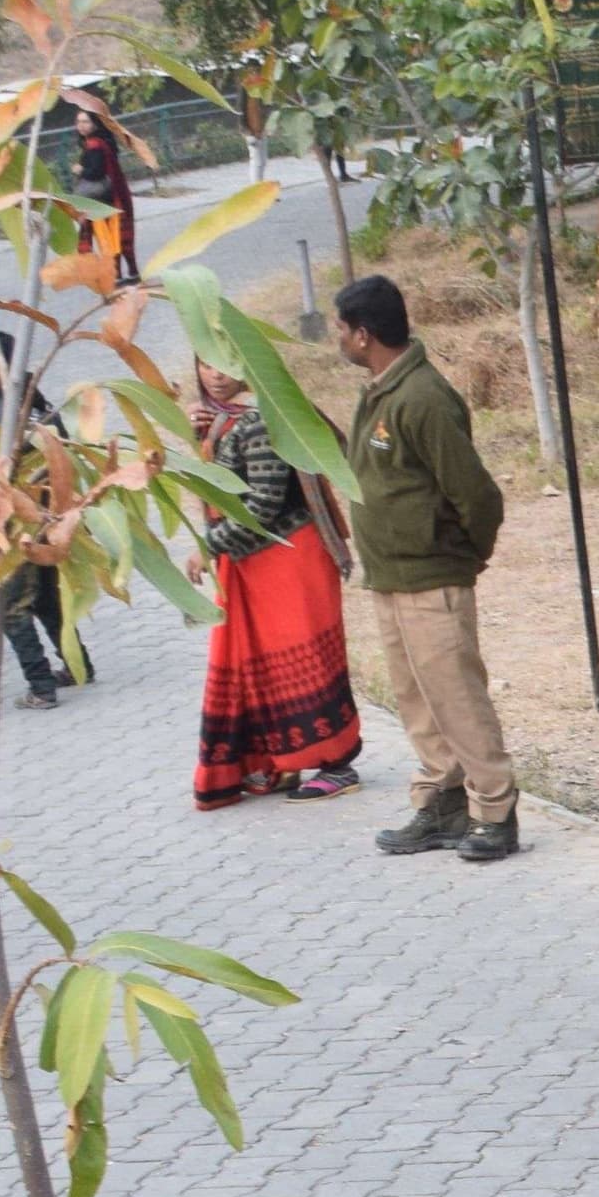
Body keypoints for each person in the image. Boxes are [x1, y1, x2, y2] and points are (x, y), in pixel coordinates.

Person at [335, 274, 519, 862]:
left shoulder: (422, 398)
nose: (335, 338)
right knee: (417, 699)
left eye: (341, 329)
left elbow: (477, 495)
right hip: (390, 577)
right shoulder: (379, 392)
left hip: (431, 577)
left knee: (457, 697)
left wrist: (463, 557)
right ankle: (441, 801)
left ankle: (495, 809)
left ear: (364, 335)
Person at [189, 357, 363, 805]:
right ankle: (281, 761)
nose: (216, 374)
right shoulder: (225, 419)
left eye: (226, 362)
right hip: (257, 561)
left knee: (303, 662)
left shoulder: (260, 417)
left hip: (288, 557)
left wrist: (210, 545)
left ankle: (336, 763)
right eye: (205, 364)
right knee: (263, 668)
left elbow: (262, 507)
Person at [0, 333, 88, 709]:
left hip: (21, 526)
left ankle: (41, 685)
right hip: (50, 519)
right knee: (47, 598)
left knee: (13, 606)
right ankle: (78, 664)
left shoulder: (4, 416)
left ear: (10, 368)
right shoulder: (36, 403)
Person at [75, 121, 141, 289]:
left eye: (85, 122)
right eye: (78, 122)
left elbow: (96, 172)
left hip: (101, 200)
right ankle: (132, 272)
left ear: (95, 125)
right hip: (116, 196)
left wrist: (80, 170)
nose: (81, 125)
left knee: (108, 239)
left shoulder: (94, 145)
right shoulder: (105, 142)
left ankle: (117, 275)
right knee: (121, 237)